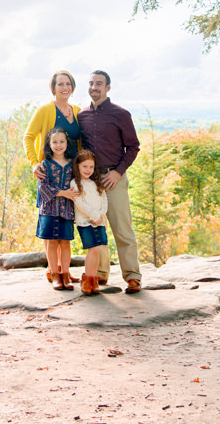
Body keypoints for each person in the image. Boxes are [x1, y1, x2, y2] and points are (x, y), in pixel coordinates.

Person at [78, 70, 142, 294]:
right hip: (92, 181)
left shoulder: (121, 114)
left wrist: (117, 172)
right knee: (97, 225)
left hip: (114, 179)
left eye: (99, 84)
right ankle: (101, 273)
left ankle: (132, 276)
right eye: (91, 83)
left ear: (108, 88)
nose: (94, 87)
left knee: (122, 228)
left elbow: (133, 147)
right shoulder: (82, 116)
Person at [35, 127, 78, 290]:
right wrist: (63, 193)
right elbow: (43, 187)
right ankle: (54, 274)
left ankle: (65, 274)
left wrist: (71, 194)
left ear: (67, 143)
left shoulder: (73, 164)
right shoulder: (45, 164)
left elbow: (77, 184)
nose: (58, 145)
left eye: (62, 142)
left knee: (65, 242)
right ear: (49, 144)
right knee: (52, 242)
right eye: (55, 142)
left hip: (67, 209)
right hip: (49, 210)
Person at [70, 149, 108, 296]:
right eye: (85, 166)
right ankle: (87, 279)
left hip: (99, 221)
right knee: (92, 249)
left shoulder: (96, 183)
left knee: (97, 249)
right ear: (78, 166)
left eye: (91, 167)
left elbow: (104, 200)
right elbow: (79, 203)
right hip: (85, 221)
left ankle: (93, 280)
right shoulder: (75, 183)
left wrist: (100, 215)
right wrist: (92, 214)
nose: (88, 170)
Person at [23, 70, 80, 166]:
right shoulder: (44, 110)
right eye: (60, 84)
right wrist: (35, 163)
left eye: (68, 84)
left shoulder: (78, 111)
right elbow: (28, 138)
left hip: (75, 170)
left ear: (72, 87)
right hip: (51, 173)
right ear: (53, 88)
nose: (65, 87)